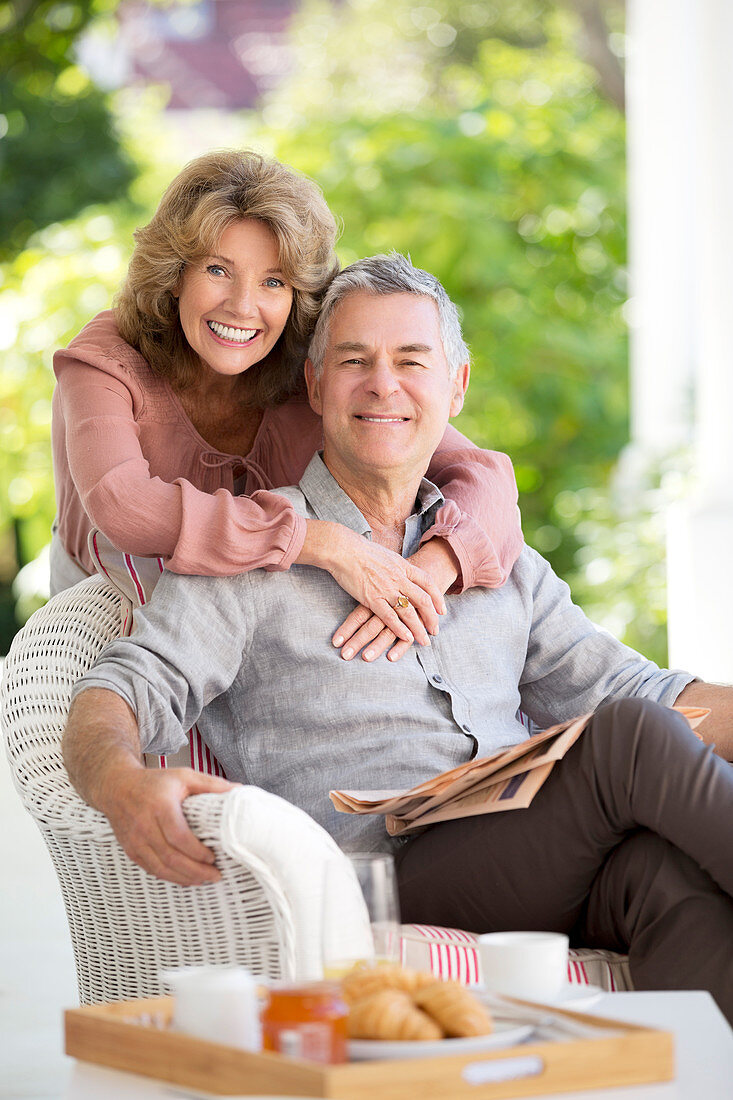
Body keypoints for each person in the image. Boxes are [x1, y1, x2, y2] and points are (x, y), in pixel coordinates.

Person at [63, 254, 733, 1021]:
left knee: (664, 876)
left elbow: (644, 691)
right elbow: (122, 684)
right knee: (631, 739)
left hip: (534, 854)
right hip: (384, 871)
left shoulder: (495, 560)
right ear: (314, 388)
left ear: (455, 387)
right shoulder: (254, 553)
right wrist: (118, 783)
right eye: (354, 362)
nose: (383, 385)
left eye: (411, 361)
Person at [51, 149, 524, 666]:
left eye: (273, 281)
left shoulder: (317, 368)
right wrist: (326, 543)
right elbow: (127, 509)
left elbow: (488, 478)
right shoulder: (104, 361)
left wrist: (431, 570)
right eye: (217, 269)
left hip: (265, 611)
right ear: (175, 272)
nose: (242, 306)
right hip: (108, 605)